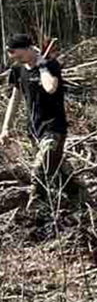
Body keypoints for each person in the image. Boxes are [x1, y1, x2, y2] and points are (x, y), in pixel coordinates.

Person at [1, 33, 67, 197]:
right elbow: (15, 99)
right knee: (59, 170)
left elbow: (51, 87)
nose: (17, 60)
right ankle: (80, 196)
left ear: (29, 49)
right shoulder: (18, 70)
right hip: (34, 129)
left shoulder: (51, 65)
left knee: (39, 171)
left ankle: (37, 208)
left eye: (20, 56)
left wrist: (42, 65)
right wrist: (5, 128)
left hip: (54, 128)